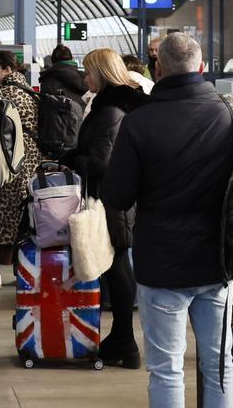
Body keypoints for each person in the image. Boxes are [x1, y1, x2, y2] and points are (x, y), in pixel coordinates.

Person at [102, 33, 233, 408]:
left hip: (161, 261)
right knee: (219, 364)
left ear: (158, 69)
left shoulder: (139, 122)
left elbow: (117, 197)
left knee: (166, 369)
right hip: (218, 260)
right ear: (202, 66)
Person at [60, 48, 148, 368]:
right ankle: (121, 339)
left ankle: (126, 340)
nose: (85, 78)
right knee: (115, 265)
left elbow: (101, 162)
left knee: (118, 264)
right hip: (114, 197)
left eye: (88, 72)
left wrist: (70, 158)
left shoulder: (111, 110)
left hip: (112, 199)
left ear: (101, 72)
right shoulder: (113, 104)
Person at [0, 50, 40, 290]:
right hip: (30, 163)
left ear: (8, 70)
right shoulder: (29, 92)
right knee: (24, 220)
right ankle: (23, 271)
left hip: (12, 165)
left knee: (5, 217)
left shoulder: (4, 94)